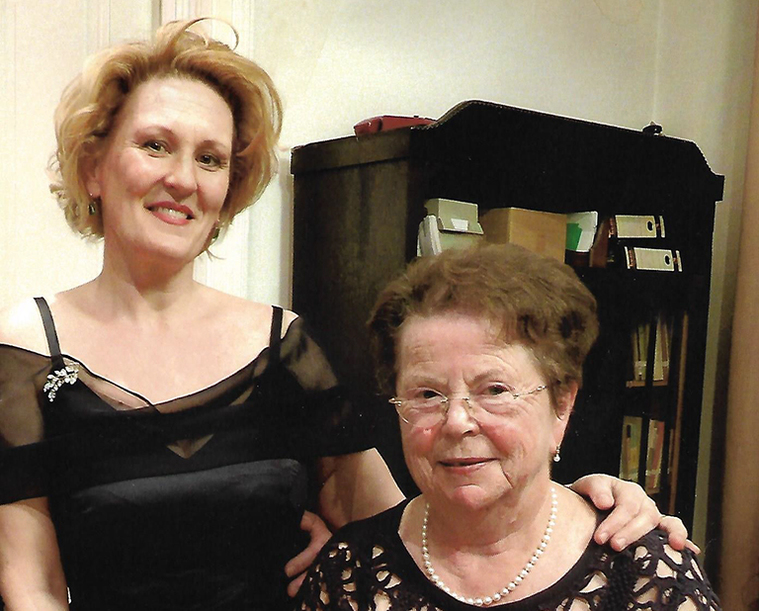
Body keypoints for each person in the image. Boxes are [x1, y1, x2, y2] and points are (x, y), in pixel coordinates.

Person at [0, 18, 688, 611]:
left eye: (210, 158)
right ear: (94, 167)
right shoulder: (27, 351)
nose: (183, 178)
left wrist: (578, 508)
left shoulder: (283, 343)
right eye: (155, 145)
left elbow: (417, 525)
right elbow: (31, 583)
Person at [293, 243, 720, 611]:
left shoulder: (647, 574)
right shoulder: (349, 572)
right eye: (427, 394)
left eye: (494, 390)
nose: (457, 422)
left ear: (562, 405)